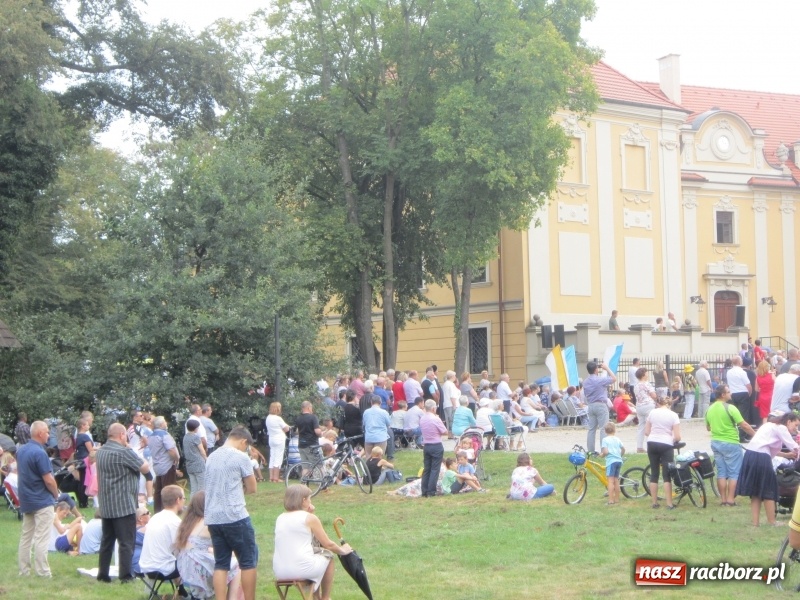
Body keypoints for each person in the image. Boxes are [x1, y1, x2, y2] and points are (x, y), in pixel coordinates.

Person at [204, 426, 258, 600]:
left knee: (221, 563)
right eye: (247, 446)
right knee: (248, 562)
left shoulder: (211, 457)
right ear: (243, 441)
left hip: (213, 517)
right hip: (235, 516)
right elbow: (252, 488)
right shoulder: (241, 457)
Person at [273, 485, 353, 600]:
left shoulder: (280, 518)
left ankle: (315, 596)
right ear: (304, 500)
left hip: (280, 571)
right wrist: (342, 551)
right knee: (328, 557)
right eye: (310, 498)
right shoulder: (309, 518)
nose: (311, 501)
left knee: (316, 555)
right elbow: (327, 544)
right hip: (302, 568)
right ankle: (325, 597)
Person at [96, 422, 151, 583]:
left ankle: (103, 574)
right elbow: (145, 468)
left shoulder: (101, 452)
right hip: (123, 503)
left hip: (106, 504)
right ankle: (126, 575)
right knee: (126, 542)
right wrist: (129, 448)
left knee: (107, 541)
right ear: (121, 435)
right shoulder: (124, 452)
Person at [736, 412, 800, 526]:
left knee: (755, 491)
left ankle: (755, 523)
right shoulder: (781, 428)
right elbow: (793, 446)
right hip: (761, 457)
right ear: (788, 421)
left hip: (750, 455)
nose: (796, 428)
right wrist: (796, 451)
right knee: (769, 488)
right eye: (795, 425)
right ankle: (772, 522)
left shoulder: (768, 425)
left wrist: (787, 455)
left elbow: (767, 447)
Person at [176, 491, 243, 600]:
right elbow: (225, 548)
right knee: (236, 564)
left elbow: (199, 546)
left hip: (186, 568)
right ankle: (232, 597)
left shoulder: (187, 523)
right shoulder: (209, 523)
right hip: (199, 567)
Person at [17, 421, 60, 577]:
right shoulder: (40, 453)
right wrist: (56, 494)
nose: (49, 435)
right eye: (47, 432)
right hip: (42, 499)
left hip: (26, 498)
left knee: (26, 537)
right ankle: (43, 572)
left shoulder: (21, 450)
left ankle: (24, 571)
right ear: (40, 433)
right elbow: (48, 479)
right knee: (42, 538)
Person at [705, 384, 756, 507]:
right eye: (728, 392)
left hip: (716, 442)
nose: (730, 394)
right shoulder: (730, 408)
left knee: (721, 472)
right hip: (730, 442)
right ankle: (730, 500)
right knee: (734, 472)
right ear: (723, 395)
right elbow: (744, 425)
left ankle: (722, 500)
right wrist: (756, 435)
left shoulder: (709, 409)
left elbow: (708, 427)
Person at [139, 485, 186, 579]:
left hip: (146, 567)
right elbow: (182, 548)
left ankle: (181, 589)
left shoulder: (155, 517)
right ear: (178, 500)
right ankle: (199, 593)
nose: (184, 501)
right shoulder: (175, 521)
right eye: (184, 498)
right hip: (163, 569)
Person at [644, 396, 681, 509]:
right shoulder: (673, 415)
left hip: (652, 443)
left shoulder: (652, 413)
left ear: (658, 403)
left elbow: (646, 432)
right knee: (666, 475)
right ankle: (669, 503)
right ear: (669, 404)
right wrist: (674, 439)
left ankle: (654, 502)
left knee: (654, 473)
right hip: (666, 444)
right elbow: (678, 436)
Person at [149, 416, 180, 513]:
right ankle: (168, 510)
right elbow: (171, 449)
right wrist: (176, 459)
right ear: (162, 424)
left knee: (158, 490)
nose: (166, 424)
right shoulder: (164, 435)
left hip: (157, 465)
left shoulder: (151, 436)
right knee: (168, 490)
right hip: (167, 465)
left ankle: (158, 510)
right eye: (165, 422)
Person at [584, 361, 616, 453]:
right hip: (601, 404)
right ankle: (603, 450)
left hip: (591, 405)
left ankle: (590, 451)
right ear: (596, 370)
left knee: (591, 429)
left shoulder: (585, 382)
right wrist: (607, 368)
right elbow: (614, 379)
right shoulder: (599, 380)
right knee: (603, 428)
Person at [420, 399, 447, 498]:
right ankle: (431, 491)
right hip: (436, 445)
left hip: (426, 445)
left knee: (427, 469)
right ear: (433, 408)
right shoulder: (436, 419)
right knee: (435, 469)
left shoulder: (422, 418)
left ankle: (424, 490)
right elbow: (445, 431)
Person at [632, 367, 657, 453]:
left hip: (639, 406)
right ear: (643, 375)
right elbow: (653, 395)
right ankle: (651, 446)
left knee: (641, 426)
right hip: (648, 405)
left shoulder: (636, 385)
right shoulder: (647, 384)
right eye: (646, 373)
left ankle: (639, 446)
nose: (647, 374)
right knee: (650, 426)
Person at [266, 402, 291, 483]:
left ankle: (271, 477)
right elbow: (286, 429)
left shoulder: (268, 418)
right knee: (278, 458)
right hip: (279, 439)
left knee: (272, 457)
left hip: (271, 439)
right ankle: (276, 478)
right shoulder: (278, 418)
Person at [601, 422, 625, 505]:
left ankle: (611, 500)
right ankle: (617, 499)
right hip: (618, 461)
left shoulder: (605, 440)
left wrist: (602, 455)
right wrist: (620, 455)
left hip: (611, 462)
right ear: (614, 430)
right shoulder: (617, 439)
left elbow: (606, 452)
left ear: (605, 431)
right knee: (616, 480)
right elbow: (623, 449)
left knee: (610, 481)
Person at [183, 419, 207, 498]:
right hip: (198, 463)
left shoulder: (185, 437)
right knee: (202, 487)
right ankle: (201, 505)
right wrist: (206, 459)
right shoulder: (196, 437)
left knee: (194, 488)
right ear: (195, 428)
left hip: (189, 465)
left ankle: (192, 506)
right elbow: (202, 451)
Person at [296, 400, 322, 468]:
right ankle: (318, 478)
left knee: (305, 467)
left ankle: (304, 478)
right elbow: (317, 431)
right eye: (311, 408)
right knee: (317, 466)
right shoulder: (313, 417)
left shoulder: (298, 418)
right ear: (308, 408)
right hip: (311, 445)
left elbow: (296, 431)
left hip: (301, 444)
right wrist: (321, 433)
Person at [131, 506, 151, 575]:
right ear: (140, 518)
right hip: (141, 565)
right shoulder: (146, 530)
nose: (150, 514)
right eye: (147, 513)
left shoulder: (130, 530)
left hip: (130, 565)